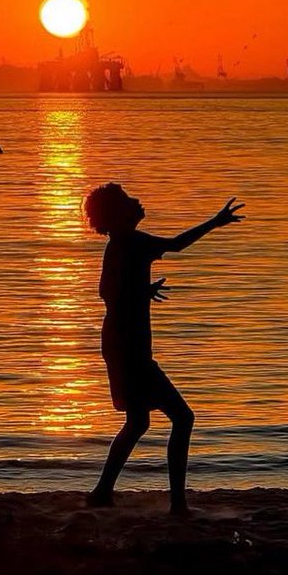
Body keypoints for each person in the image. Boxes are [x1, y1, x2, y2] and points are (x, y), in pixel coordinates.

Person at [83, 183, 244, 515]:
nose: (137, 201)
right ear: (117, 214)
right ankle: (178, 505)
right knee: (183, 418)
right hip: (129, 348)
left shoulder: (117, 246)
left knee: (138, 421)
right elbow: (176, 244)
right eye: (128, 200)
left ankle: (101, 492)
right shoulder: (134, 243)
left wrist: (140, 291)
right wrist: (215, 222)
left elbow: (106, 293)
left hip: (118, 343)